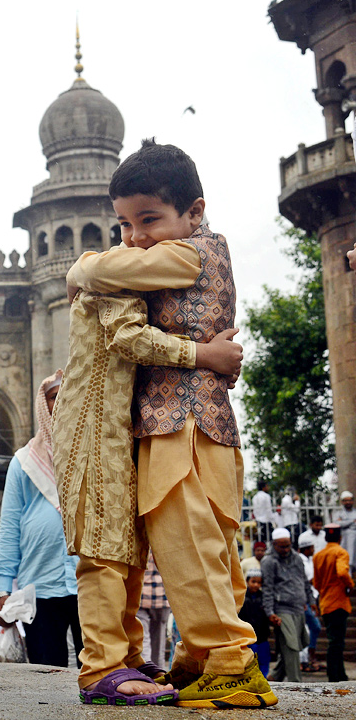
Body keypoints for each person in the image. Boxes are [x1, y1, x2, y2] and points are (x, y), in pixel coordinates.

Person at [65, 139, 273, 708]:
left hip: (175, 423)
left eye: (148, 220)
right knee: (214, 548)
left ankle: (228, 661)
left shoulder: (184, 255)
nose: (134, 237)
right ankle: (199, 661)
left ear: (194, 211)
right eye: (124, 224)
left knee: (188, 545)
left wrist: (82, 264)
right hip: (208, 422)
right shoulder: (202, 254)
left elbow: (108, 272)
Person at [0, 373, 81, 668]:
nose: (62, 402)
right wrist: (4, 589)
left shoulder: (95, 452)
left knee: (99, 670)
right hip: (40, 585)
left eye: (68, 394)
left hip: (91, 579)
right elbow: (9, 528)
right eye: (55, 396)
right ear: (43, 404)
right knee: (47, 674)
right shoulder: (23, 462)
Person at [261, 528, 312, 682]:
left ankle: (275, 676)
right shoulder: (268, 561)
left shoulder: (296, 558)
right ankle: (296, 682)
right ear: (274, 544)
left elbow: (303, 580)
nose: (286, 549)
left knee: (301, 642)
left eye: (288, 546)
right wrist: (270, 612)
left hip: (298, 606)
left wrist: (310, 601)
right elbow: (267, 588)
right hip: (281, 608)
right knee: (291, 645)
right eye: (281, 546)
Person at [313, 524, 353, 682]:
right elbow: (342, 572)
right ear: (340, 537)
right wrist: (350, 585)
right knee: (337, 642)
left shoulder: (318, 555)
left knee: (335, 639)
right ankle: (334, 675)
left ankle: (340, 674)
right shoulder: (341, 552)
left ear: (325, 538)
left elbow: (316, 583)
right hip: (339, 602)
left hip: (325, 602)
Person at [137, 554, 171, 671]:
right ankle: (159, 675)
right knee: (159, 642)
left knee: (142, 639)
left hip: (140, 594)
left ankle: (147, 674)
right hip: (163, 595)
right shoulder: (166, 539)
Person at [239, 569, 271, 677]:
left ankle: (263, 680)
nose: (256, 585)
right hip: (248, 637)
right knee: (249, 662)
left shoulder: (264, 598)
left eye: (259, 582)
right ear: (247, 581)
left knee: (263, 660)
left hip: (262, 636)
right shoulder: (241, 597)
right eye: (253, 582)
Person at [296, 532, 321, 673]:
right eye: (311, 547)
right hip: (304, 599)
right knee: (308, 628)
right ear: (306, 548)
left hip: (313, 597)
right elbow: (306, 581)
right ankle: (305, 660)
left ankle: (308, 658)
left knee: (313, 628)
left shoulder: (311, 560)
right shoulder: (300, 561)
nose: (313, 550)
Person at [336, 491, 356, 577]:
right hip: (345, 539)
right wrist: (352, 521)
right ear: (342, 502)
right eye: (345, 500)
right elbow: (338, 524)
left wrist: (345, 522)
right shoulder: (339, 513)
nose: (348, 502)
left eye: (350, 500)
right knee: (348, 560)